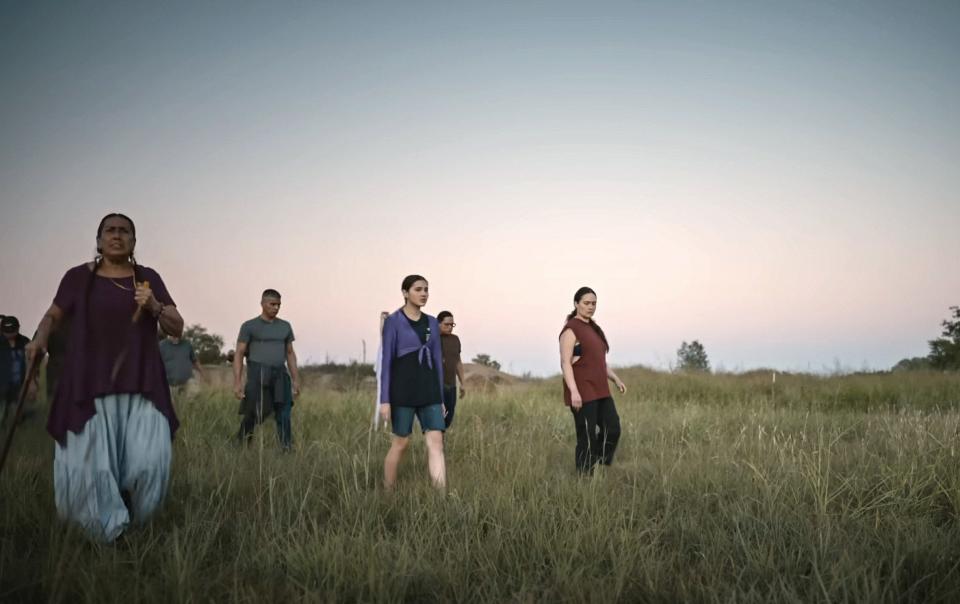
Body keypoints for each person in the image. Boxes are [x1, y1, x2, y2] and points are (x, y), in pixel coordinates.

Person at [26, 213, 184, 542]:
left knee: (150, 460)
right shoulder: (77, 278)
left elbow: (176, 326)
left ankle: (141, 527)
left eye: (124, 231)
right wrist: (39, 338)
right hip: (89, 382)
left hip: (142, 382)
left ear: (134, 242)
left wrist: (154, 305)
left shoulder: (148, 277)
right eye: (109, 230)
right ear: (98, 240)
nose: (116, 235)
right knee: (92, 464)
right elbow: (52, 316)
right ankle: (108, 534)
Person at [379, 275, 446, 490]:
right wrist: (385, 400)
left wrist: (441, 398)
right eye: (418, 289)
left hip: (429, 390)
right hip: (402, 390)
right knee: (401, 443)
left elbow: (437, 360)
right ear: (405, 293)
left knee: (436, 442)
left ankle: (441, 498)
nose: (424, 293)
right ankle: (388, 492)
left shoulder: (432, 322)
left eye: (426, 289)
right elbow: (386, 362)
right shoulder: (393, 322)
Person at [559, 286, 626, 475]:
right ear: (576, 304)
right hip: (582, 390)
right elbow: (565, 363)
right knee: (586, 437)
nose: (591, 307)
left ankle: (594, 461)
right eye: (586, 303)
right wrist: (574, 391)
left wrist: (615, 379)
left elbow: (599, 362)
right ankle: (584, 477)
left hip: (601, 389)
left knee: (613, 428)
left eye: (594, 303)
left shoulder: (594, 330)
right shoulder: (571, 330)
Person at [233, 289, 300, 449]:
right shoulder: (249, 326)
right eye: (272, 304)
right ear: (263, 304)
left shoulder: (285, 326)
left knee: (284, 412)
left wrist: (296, 379)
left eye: (278, 305)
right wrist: (237, 382)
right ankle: (242, 444)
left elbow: (290, 353)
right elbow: (239, 353)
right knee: (254, 412)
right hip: (257, 373)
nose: (276, 308)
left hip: (280, 373)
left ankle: (286, 448)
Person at [1, 315, 33, 425]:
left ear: (18, 328)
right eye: (7, 331)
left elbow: (32, 363)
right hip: (2, 385)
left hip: (19, 384)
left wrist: (32, 383)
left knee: (18, 418)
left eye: (12, 331)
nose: (10, 334)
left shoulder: (25, 342)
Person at [437, 311, 466, 428]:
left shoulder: (455, 339)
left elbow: (458, 362)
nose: (450, 327)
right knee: (437, 417)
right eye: (446, 324)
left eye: (452, 325)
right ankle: (435, 444)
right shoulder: (432, 339)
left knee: (448, 418)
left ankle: (440, 442)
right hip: (437, 386)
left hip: (452, 385)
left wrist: (463, 383)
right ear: (438, 323)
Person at [159, 332, 205, 397]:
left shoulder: (187, 344)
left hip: (188, 381)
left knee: (195, 394)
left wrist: (202, 373)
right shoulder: (161, 345)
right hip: (169, 384)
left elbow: (194, 360)